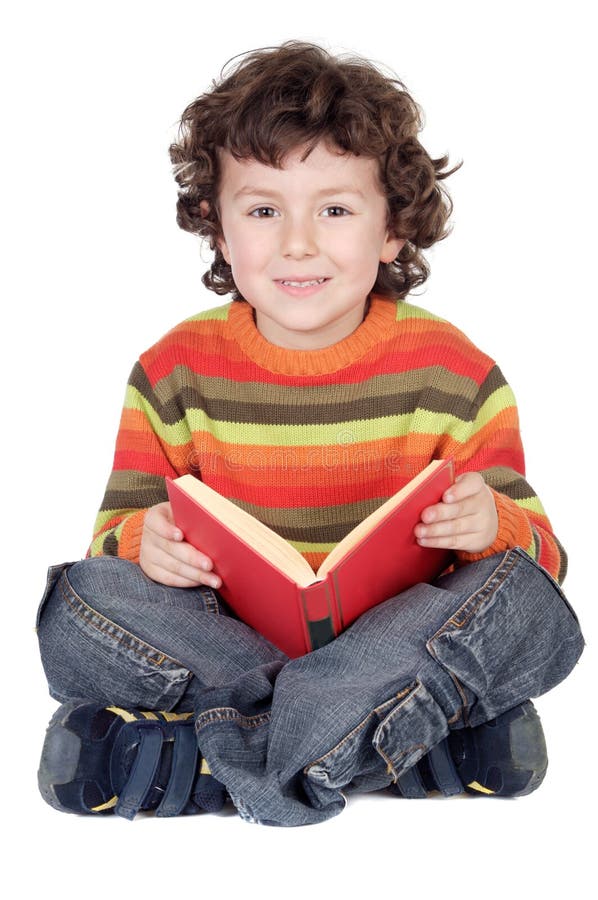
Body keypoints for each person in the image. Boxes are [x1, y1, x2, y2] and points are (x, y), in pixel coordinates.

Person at [36, 41, 583, 826]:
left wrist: (491, 524)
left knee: (527, 609)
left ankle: (205, 761)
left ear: (392, 229)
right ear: (219, 231)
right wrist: (144, 542)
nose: (298, 242)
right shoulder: (172, 370)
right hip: (227, 650)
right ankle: (394, 746)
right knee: (76, 606)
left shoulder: (454, 372)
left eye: (335, 209)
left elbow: (543, 564)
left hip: (390, 646)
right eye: (263, 210)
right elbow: (111, 546)